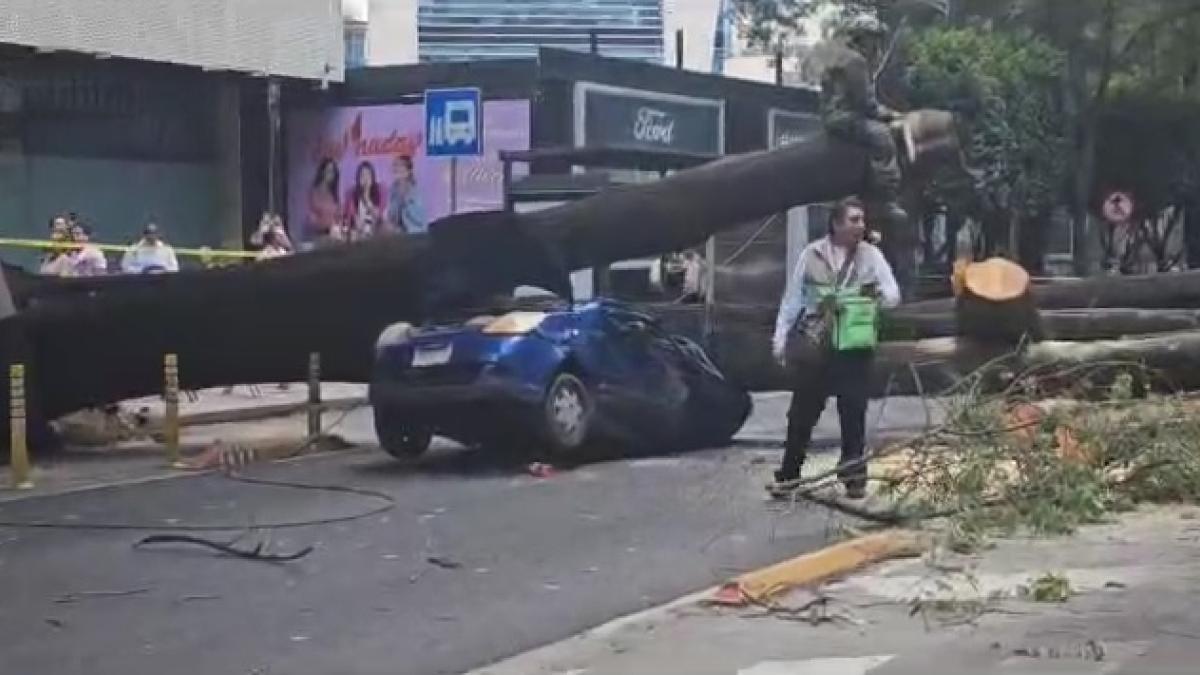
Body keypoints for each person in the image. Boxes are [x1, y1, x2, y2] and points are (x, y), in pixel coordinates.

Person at [770, 197, 900, 499]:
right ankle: (789, 475)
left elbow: (893, 295)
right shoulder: (811, 254)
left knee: (853, 412)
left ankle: (854, 478)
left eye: (862, 220)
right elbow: (793, 299)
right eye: (854, 220)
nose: (861, 226)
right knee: (801, 413)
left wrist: (869, 298)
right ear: (836, 223)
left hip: (854, 346)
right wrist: (780, 338)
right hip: (817, 345)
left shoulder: (871, 256)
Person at [819, 14, 907, 231]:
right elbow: (866, 104)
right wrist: (891, 115)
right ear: (862, 38)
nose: (876, 45)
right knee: (883, 138)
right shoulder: (855, 62)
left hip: (832, 116)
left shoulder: (839, 57)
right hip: (844, 117)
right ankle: (884, 198)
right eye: (873, 39)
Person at [385, 154, 427, 234]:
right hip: (398, 234)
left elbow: (419, 219)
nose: (396, 168)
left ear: (408, 171)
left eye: (400, 166)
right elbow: (391, 214)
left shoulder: (416, 191)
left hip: (414, 232)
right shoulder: (393, 189)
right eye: (395, 165)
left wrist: (406, 202)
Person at [344, 160, 385, 240]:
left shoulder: (380, 191)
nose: (365, 178)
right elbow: (352, 218)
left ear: (373, 177)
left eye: (368, 174)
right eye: (362, 175)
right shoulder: (352, 193)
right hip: (357, 234)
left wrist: (366, 196)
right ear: (358, 178)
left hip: (376, 233)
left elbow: (378, 215)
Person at [307, 158, 342, 243]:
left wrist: (337, 227)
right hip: (319, 237)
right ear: (322, 172)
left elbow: (339, 215)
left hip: (335, 238)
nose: (330, 174)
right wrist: (328, 227)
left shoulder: (334, 194)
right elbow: (312, 220)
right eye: (328, 171)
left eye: (333, 172)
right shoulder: (314, 193)